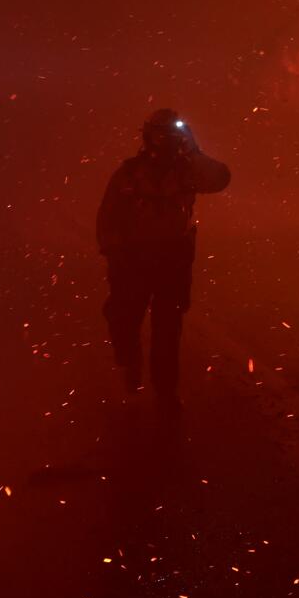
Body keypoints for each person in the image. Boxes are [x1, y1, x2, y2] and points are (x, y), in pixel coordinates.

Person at [96, 109, 231, 405]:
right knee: (123, 319)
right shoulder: (129, 173)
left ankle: (166, 391)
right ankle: (129, 361)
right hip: (133, 261)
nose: (167, 142)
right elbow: (108, 216)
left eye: (172, 136)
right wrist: (114, 252)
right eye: (162, 136)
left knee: (167, 331)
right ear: (148, 136)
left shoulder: (187, 170)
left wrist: (194, 150)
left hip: (172, 261)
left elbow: (221, 178)